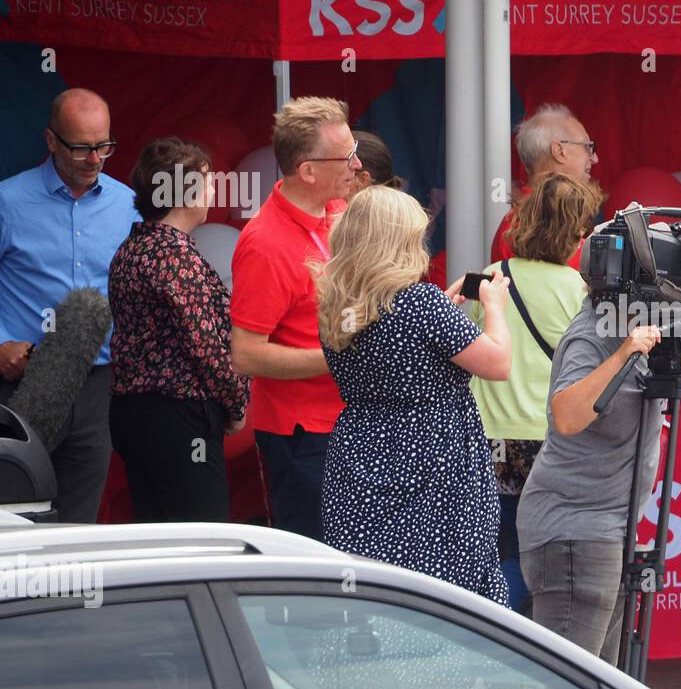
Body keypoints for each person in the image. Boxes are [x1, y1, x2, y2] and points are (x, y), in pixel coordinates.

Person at [314, 185, 512, 603]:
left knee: (375, 597)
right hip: (434, 465)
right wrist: (493, 306)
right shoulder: (420, 304)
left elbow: (395, 346)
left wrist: (444, 307)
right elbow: (498, 364)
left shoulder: (337, 304)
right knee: (448, 603)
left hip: (361, 460)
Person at [0, 88, 137, 522]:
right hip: (22, 381)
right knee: (13, 515)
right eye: (81, 147)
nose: (94, 159)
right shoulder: (8, 202)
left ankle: (69, 592)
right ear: (50, 140)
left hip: (98, 385)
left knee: (79, 523)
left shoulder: (129, 206)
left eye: (104, 146)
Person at [469, 173, 605, 612]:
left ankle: (484, 624)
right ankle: (501, 629)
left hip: (486, 438)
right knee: (536, 558)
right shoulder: (580, 291)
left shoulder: (489, 277)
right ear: (577, 234)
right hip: (546, 442)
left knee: (496, 549)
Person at [230, 97, 360, 540]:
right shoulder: (265, 244)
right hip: (302, 437)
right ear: (307, 171)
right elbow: (245, 355)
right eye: (345, 157)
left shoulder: (338, 212)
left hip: (349, 418)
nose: (357, 164)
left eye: (353, 148)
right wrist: (337, 359)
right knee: (317, 567)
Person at [515, 282, 665, 664]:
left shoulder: (626, 321)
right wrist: (622, 355)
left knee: (599, 686)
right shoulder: (592, 333)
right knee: (566, 687)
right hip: (573, 531)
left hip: (604, 529)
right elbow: (566, 415)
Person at [108, 138, 249, 520]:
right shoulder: (174, 257)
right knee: (201, 538)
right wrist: (236, 402)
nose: (213, 191)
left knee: (160, 531)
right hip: (178, 418)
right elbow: (205, 346)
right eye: (206, 182)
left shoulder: (132, 248)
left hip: (137, 414)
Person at [490, 103, 596, 267]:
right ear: (559, 151)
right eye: (588, 147)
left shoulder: (516, 222)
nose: (595, 158)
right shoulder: (541, 222)